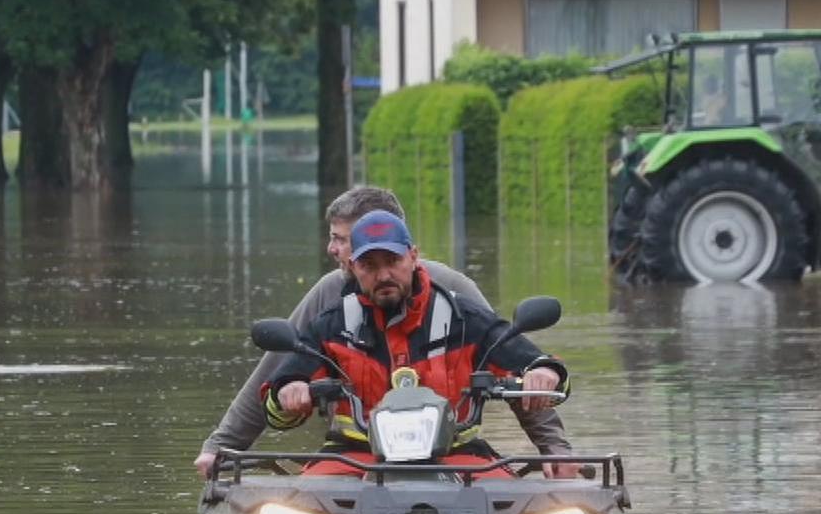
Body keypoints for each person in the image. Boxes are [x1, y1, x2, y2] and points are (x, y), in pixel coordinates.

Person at [194, 185, 576, 477]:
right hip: (352, 457)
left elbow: (513, 357)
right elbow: (279, 371)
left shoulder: (460, 305)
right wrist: (238, 434)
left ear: (412, 254)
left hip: (456, 455)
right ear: (356, 265)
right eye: (368, 263)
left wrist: (553, 441)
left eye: (340, 239)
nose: (382, 274)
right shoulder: (330, 310)